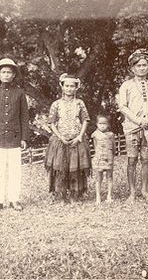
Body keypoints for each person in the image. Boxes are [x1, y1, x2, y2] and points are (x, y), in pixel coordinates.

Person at [0, 58, 29, 212]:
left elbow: (24, 116)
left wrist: (24, 137)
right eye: (3, 72)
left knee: (15, 170)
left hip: (15, 138)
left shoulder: (20, 93)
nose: (6, 74)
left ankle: (14, 199)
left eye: (9, 72)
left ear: (14, 75)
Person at [118, 48, 148, 203]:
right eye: (138, 65)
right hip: (132, 128)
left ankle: (144, 190)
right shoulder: (126, 86)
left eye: (144, 65)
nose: (142, 68)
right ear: (132, 68)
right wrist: (137, 120)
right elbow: (123, 107)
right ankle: (131, 193)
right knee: (132, 160)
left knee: (146, 159)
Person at [45, 73, 91, 203]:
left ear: (76, 87)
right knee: (60, 168)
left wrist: (80, 137)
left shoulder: (79, 103)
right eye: (67, 86)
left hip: (77, 139)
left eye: (72, 86)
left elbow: (86, 120)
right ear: (62, 87)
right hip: (60, 140)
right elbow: (51, 123)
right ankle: (61, 195)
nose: (69, 89)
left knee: (75, 168)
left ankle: (74, 195)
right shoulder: (56, 104)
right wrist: (60, 137)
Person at [91, 115, 116, 205]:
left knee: (109, 177)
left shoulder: (111, 135)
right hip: (99, 158)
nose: (102, 126)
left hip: (109, 157)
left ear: (108, 124)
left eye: (104, 123)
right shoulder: (95, 135)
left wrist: (112, 155)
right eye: (100, 123)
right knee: (98, 178)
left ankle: (109, 196)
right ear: (97, 124)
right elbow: (95, 146)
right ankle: (98, 197)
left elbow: (114, 147)